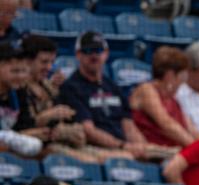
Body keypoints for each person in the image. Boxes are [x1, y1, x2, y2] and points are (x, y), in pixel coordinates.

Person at [57, 31, 148, 161]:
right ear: (78, 55)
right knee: (127, 158)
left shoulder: (112, 86)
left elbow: (128, 125)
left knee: (171, 158)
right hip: (95, 148)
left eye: (98, 50)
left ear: (106, 53)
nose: (94, 55)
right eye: (88, 51)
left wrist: (141, 147)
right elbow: (89, 131)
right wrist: (122, 146)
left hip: (124, 147)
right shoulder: (71, 87)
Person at [18, 34, 86, 153]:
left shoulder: (49, 87)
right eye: (44, 62)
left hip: (60, 143)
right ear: (27, 61)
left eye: (52, 62)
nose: (49, 67)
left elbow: (72, 120)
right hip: (36, 148)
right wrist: (48, 116)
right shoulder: (17, 89)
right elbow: (19, 128)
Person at [130, 46, 199, 148]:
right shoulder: (146, 90)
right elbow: (167, 124)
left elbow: (191, 128)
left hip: (175, 153)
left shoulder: (172, 99)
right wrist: (196, 149)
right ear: (170, 76)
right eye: (182, 76)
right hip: (155, 155)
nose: (183, 82)